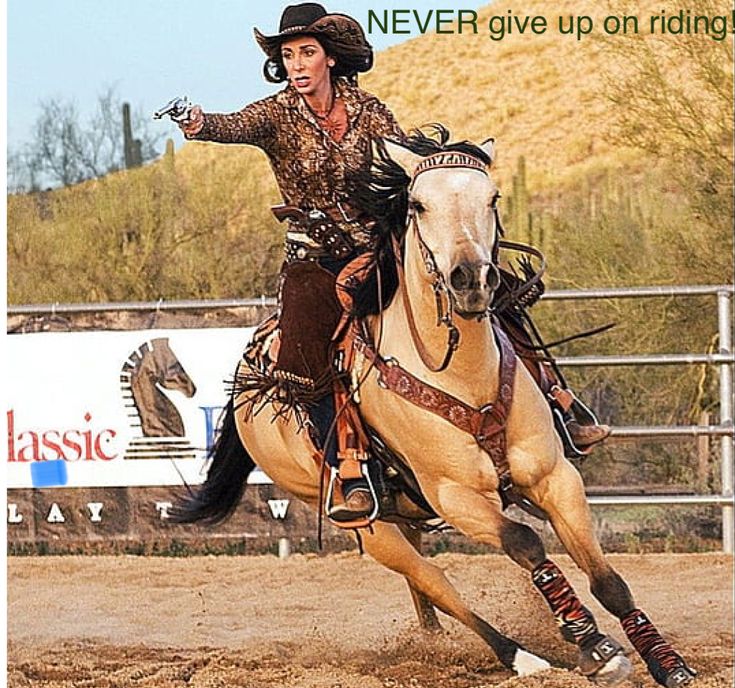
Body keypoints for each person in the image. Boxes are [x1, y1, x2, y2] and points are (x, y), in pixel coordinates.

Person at [178, 2, 608, 523]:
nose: (296, 64)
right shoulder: (276, 114)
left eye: (306, 53)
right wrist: (198, 122)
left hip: (379, 245)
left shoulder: (371, 110)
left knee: (494, 293)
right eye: (288, 55)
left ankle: (557, 403)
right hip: (315, 259)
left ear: (331, 59)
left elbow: (403, 164)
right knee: (305, 353)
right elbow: (229, 125)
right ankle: (350, 468)